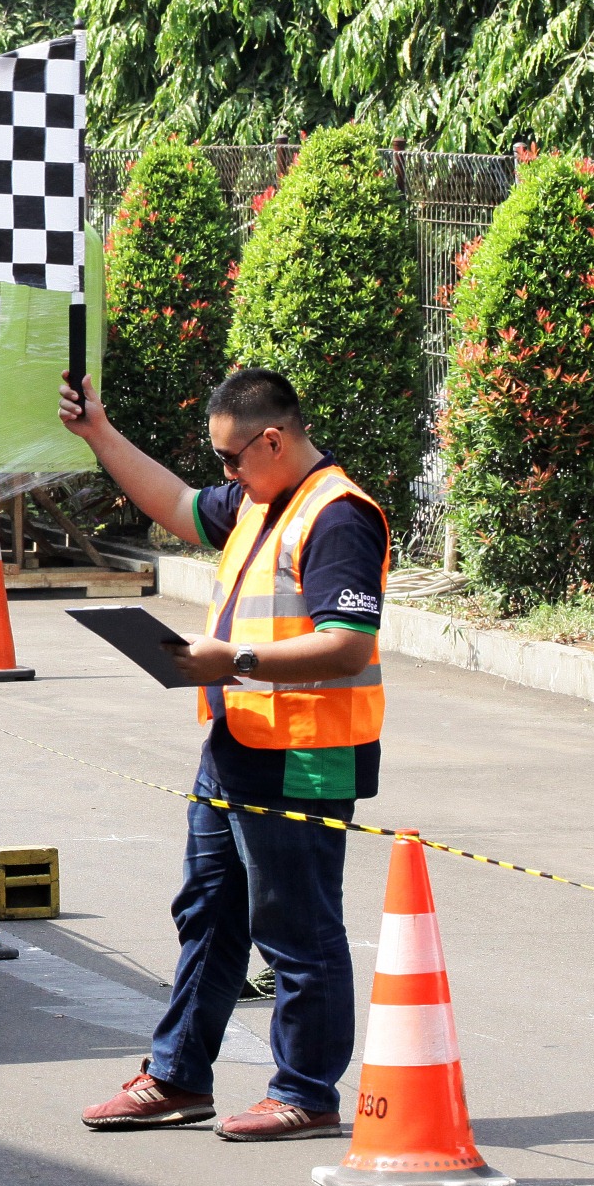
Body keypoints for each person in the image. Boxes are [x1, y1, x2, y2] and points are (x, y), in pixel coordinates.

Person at [59, 365, 389, 1144]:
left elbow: (345, 646)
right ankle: (177, 1077)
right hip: (237, 743)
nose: (225, 475)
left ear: (273, 439)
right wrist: (98, 432)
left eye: (233, 458)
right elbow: (175, 504)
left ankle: (305, 1090)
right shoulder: (259, 498)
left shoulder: (338, 515)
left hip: (305, 752)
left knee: (296, 926)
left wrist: (232, 661)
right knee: (208, 915)